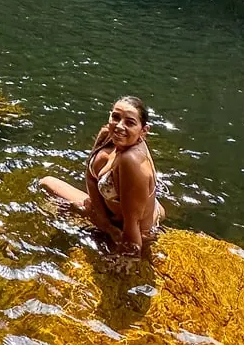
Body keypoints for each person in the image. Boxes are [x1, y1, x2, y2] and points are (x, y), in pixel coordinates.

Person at [40, 96, 163, 252]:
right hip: (109, 218)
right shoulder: (107, 135)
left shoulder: (130, 160)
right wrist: (102, 222)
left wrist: (130, 260)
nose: (119, 126)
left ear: (143, 131)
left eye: (130, 123)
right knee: (46, 183)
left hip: (133, 229)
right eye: (116, 117)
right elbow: (91, 178)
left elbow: (133, 224)